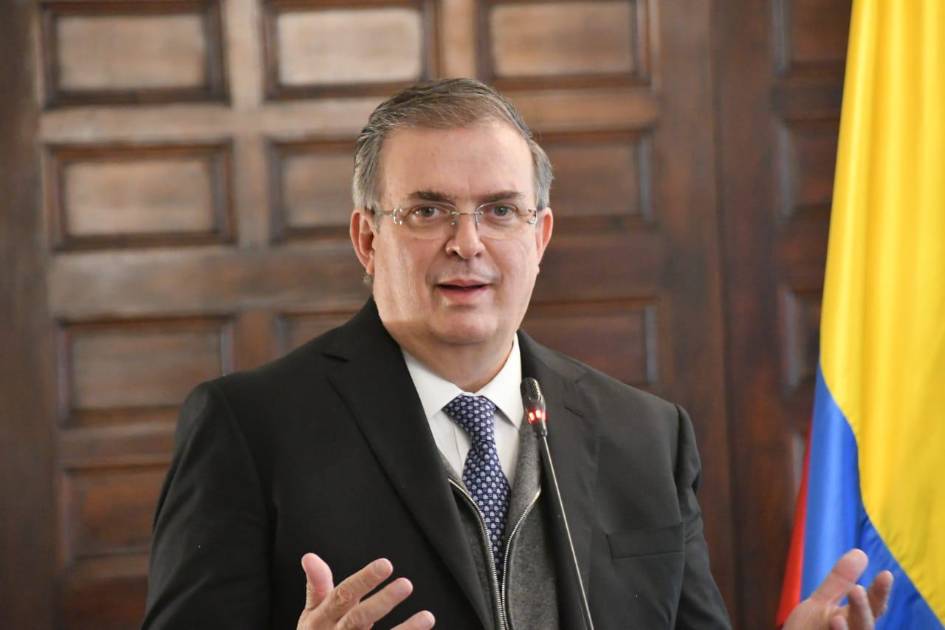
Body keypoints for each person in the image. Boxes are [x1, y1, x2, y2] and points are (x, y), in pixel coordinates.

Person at [142, 79, 892, 630]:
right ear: (367, 239)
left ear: (539, 237)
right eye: (428, 210)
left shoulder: (645, 434)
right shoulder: (250, 428)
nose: (467, 243)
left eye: (500, 210)